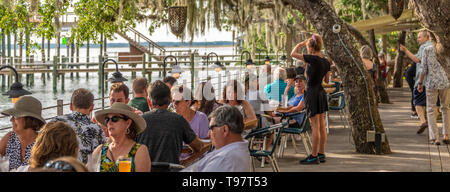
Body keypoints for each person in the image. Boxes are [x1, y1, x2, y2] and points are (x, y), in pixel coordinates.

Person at [137, 80, 204, 165]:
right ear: (169, 101)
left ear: (149, 101)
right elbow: (198, 147)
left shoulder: (139, 121)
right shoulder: (179, 120)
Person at [291, 34, 330, 164]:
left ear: (311, 48)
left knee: (314, 126)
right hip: (321, 92)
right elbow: (327, 80)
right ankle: (321, 153)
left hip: (312, 93)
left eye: (307, 47)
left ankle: (313, 155)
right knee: (321, 125)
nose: (306, 49)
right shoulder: (325, 61)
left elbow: (293, 53)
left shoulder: (312, 58)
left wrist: (299, 45)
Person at [182, 105, 250, 172]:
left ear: (225, 130)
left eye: (211, 128)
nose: (208, 134)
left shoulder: (224, 159)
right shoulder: (236, 149)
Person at [50, 88, 106, 164]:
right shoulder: (97, 129)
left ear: (70, 106)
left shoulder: (55, 122)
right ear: (92, 107)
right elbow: (102, 156)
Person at [93, 102, 151, 172]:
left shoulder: (139, 151)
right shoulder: (100, 150)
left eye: (115, 118)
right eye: (107, 119)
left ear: (128, 123)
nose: (109, 123)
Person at [417, 32, 450, 145]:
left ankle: (435, 138)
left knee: (431, 109)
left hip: (431, 83)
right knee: (445, 108)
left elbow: (423, 69)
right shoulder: (446, 49)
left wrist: (420, 83)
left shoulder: (427, 50)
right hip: (445, 82)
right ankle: (446, 135)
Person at [0, 96, 45, 171]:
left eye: (15, 116)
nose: (11, 120)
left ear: (29, 119)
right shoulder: (10, 137)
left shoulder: (42, 144)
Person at [400, 30, 432, 134]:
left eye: (419, 37)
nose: (418, 39)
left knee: (417, 102)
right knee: (433, 104)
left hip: (422, 80)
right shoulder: (434, 46)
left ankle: (423, 122)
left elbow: (417, 59)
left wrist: (405, 50)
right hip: (433, 81)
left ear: (426, 37)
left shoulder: (424, 47)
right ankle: (432, 126)